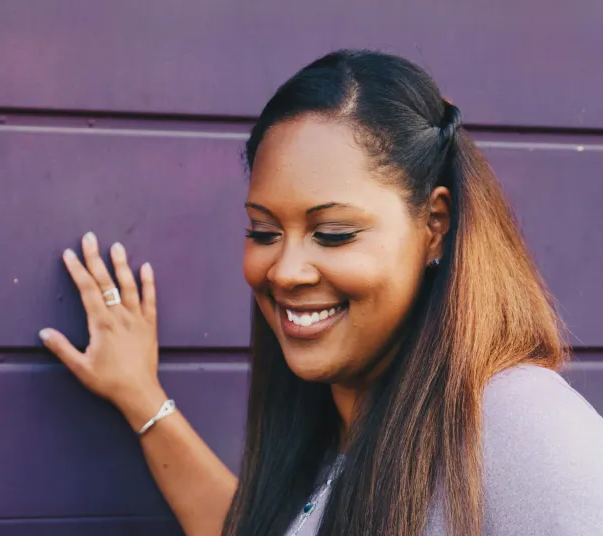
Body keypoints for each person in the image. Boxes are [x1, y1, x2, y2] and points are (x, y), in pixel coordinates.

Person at [37, 49, 603, 536]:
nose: (285, 271)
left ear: (434, 224)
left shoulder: (520, 425)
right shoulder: (338, 420)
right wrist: (141, 395)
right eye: (263, 231)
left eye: (332, 234)